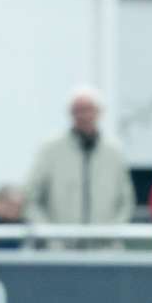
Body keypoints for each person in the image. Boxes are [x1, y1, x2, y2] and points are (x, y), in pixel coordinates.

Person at [23, 86, 135, 226]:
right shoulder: (50, 150)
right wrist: (48, 233)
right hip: (59, 245)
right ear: (70, 113)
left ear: (99, 113)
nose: (84, 116)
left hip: (104, 245)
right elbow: (30, 198)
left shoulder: (114, 152)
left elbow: (126, 202)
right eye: (78, 110)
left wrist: (112, 232)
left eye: (89, 110)